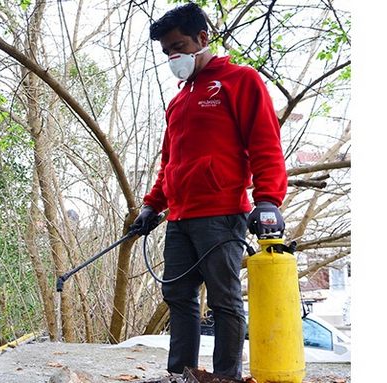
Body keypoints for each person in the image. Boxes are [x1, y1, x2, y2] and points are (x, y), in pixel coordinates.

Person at [127, 3, 288, 380]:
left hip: (221, 215)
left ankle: (226, 377)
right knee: (179, 298)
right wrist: (152, 206)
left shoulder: (240, 81)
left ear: (203, 38)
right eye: (167, 51)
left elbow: (265, 144)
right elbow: (170, 162)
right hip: (180, 218)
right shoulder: (180, 100)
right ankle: (181, 375)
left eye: (179, 46)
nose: (173, 56)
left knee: (224, 301)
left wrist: (267, 200)